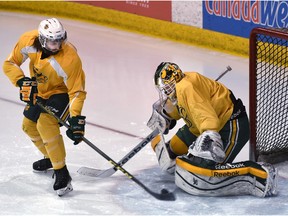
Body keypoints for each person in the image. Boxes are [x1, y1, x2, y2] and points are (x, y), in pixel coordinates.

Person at [147, 62, 278, 197]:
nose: (165, 91)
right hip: (200, 126)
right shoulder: (181, 85)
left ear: (173, 81)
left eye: (166, 87)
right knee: (172, 150)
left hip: (231, 125)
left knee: (207, 168)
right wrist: (167, 115)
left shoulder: (186, 87)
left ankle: (257, 172)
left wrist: (208, 143)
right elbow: (185, 106)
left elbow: (207, 119)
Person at [2, 18, 86, 196]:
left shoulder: (70, 58)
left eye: (59, 40)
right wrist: (22, 81)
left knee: (45, 123)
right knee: (28, 126)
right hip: (40, 90)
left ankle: (62, 172)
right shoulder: (28, 40)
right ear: (41, 39)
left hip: (60, 93)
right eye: (51, 41)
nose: (56, 45)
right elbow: (10, 63)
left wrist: (76, 117)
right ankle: (51, 158)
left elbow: (77, 91)